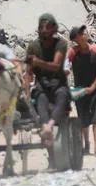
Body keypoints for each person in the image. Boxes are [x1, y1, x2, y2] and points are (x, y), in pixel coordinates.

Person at [24, 13, 69, 148]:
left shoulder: (61, 44)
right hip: (41, 85)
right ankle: (46, 126)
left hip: (58, 83)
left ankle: (49, 126)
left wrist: (38, 62)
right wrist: (26, 90)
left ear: (54, 30)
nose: (45, 30)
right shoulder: (33, 46)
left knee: (62, 96)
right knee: (41, 98)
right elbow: (28, 72)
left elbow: (56, 66)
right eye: (42, 27)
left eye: (48, 27)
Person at [67, 26, 96, 158]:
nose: (85, 35)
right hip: (80, 91)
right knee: (83, 120)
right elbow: (65, 67)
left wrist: (94, 86)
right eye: (81, 34)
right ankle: (86, 145)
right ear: (76, 39)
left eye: (84, 33)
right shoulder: (73, 52)